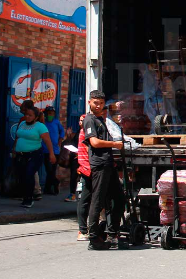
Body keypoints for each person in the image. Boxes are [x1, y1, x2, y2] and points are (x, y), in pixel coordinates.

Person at [83, 90, 126, 251]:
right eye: (96, 103)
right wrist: (114, 144)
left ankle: (112, 232)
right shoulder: (89, 120)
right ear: (89, 102)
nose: (98, 105)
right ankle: (93, 238)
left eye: (101, 103)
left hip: (109, 164)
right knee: (98, 201)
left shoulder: (100, 119)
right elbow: (94, 142)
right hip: (99, 165)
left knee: (119, 199)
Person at [13, 107, 56, 208]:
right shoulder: (22, 124)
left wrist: (51, 154)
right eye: (26, 115)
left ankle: (29, 198)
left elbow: (47, 141)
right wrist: (14, 149)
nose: (27, 117)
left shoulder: (40, 127)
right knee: (22, 176)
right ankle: (24, 196)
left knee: (29, 174)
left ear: (36, 117)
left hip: (34, 154)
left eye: (30, 115)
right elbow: (18, 137)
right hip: (21, 154)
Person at [42, 106, 65, 195]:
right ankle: (55, 182)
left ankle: (48, 189)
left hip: (55, 150)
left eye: (51, 113)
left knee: (52, 170)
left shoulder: (56, 122)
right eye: (48, 113)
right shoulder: (43, 123)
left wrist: (60, 142)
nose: (50, 115)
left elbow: (62, 132)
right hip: (45, 149)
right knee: (49, 170)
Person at [76, 114, 91, 241]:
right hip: (87, 170)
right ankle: (82, 230)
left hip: (89, 169)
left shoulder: (86, 131)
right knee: (85, 200)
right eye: (80, 121)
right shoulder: (85, 132)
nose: (81, 123)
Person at [63, 126, 79, 202]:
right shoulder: (79, 132)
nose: (80, 122)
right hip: (74, 157)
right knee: (73, 176)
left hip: (82, 158)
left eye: (82, 120)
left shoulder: (89, 132)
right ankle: (72, 194)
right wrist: (69, 136)